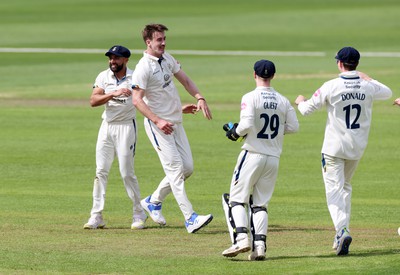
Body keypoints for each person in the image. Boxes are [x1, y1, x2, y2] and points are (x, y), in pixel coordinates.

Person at [295, 47, 392, 255]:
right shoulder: (368, 87)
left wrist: (300, 101)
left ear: (339, 64)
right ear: (357, 64)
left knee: (334, 191)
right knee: (345, 187)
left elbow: (306, 110)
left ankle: (341, 230)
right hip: (356, 148)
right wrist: (367, 77)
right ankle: (341, 231)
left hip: (334, 148)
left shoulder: (331, 85)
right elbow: (388, 92)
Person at [131, 23, 213, 233]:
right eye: (159, 39)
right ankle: (190, 218)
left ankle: (153, 201)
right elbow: (137, 101)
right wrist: (158, 120)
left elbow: (184, 80)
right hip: (159, 126)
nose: (163, 43)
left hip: (175, 121)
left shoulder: (166, 58)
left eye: (164, 39)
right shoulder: (143, 67)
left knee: (187, 168)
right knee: (176, 170)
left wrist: (199, 97)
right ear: (148, 42)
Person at [221, 60, 299, 260]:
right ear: (273, 76)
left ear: (254, 75)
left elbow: (246, 123)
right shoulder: (282, 100)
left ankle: (241, 239)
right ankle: (260, 246)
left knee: (237, 199)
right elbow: (293, 127)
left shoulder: (250, 96)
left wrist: (234, 132)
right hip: (273, 157)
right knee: (260, 204)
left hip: (252, 153)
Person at [84, 45, 147, 230]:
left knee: (126, 173)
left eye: (117, 58)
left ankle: (138, 213)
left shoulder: (135, 77)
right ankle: (96, 216)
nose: (112, 61)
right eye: (111, 58)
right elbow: (93, 101)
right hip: (107, 126)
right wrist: (113, 93)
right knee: (101, 171)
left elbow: (149, 100)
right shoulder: (103, 76)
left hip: (127, 127)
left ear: (126, 60)